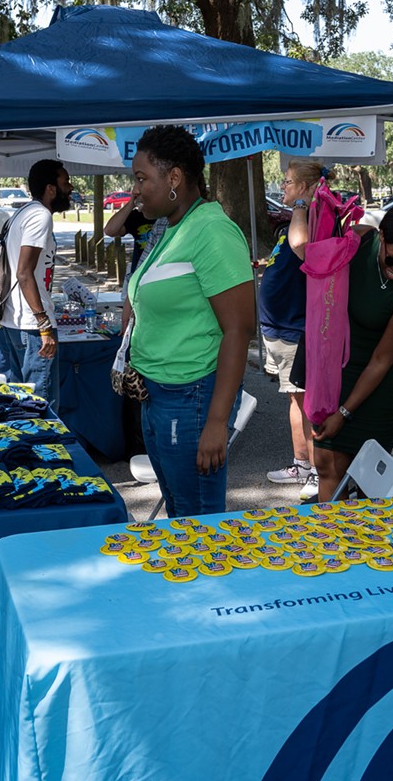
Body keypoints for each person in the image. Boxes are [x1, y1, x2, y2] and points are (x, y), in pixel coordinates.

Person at [127, 125, 255, 517]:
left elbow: (239, 329)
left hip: (191, 400)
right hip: (159, 398)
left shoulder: (212, 231)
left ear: (175, 178)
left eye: (141, 178)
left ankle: (206, 583)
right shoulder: (170, 228)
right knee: (180, 517)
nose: (135, 189)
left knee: (197, 527)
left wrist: (216, 422)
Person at [306, 195, 393, 501]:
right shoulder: (360, 240)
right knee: (327, 466)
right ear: (381, 237)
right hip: (341, 369)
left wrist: (344, 412)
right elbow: (309, 256)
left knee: (365, 481)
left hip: (381, 383)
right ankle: (329, 542)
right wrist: (303, 206)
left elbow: (381, 360)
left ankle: (360, 545)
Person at [259, 160, 322, 501]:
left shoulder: (309, 220)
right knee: (294, 398)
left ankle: (316, 469)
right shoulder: (290, 224)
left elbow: (301, 246)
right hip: (277, 326)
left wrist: (301, 204)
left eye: (288, 184)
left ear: (304, 188)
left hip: (294, 326)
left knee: (308, 402)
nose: (282, 188)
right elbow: (286, 254)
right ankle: (301, 463)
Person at [1, 159, 73, 411]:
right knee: (41, 407)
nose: (71, 187)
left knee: (22, 403)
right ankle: (40, 450)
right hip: (32, 327)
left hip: (16, 322)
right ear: (51, 188)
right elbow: (23, 272)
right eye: (65, 182)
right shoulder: (40, 216)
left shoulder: (22, 212)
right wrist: (43, 324)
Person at [103, 193, 155, 272]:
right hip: (140, 273)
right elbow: (110, 231)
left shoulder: (169, 217)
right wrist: (131, 204)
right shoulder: (138, 216)